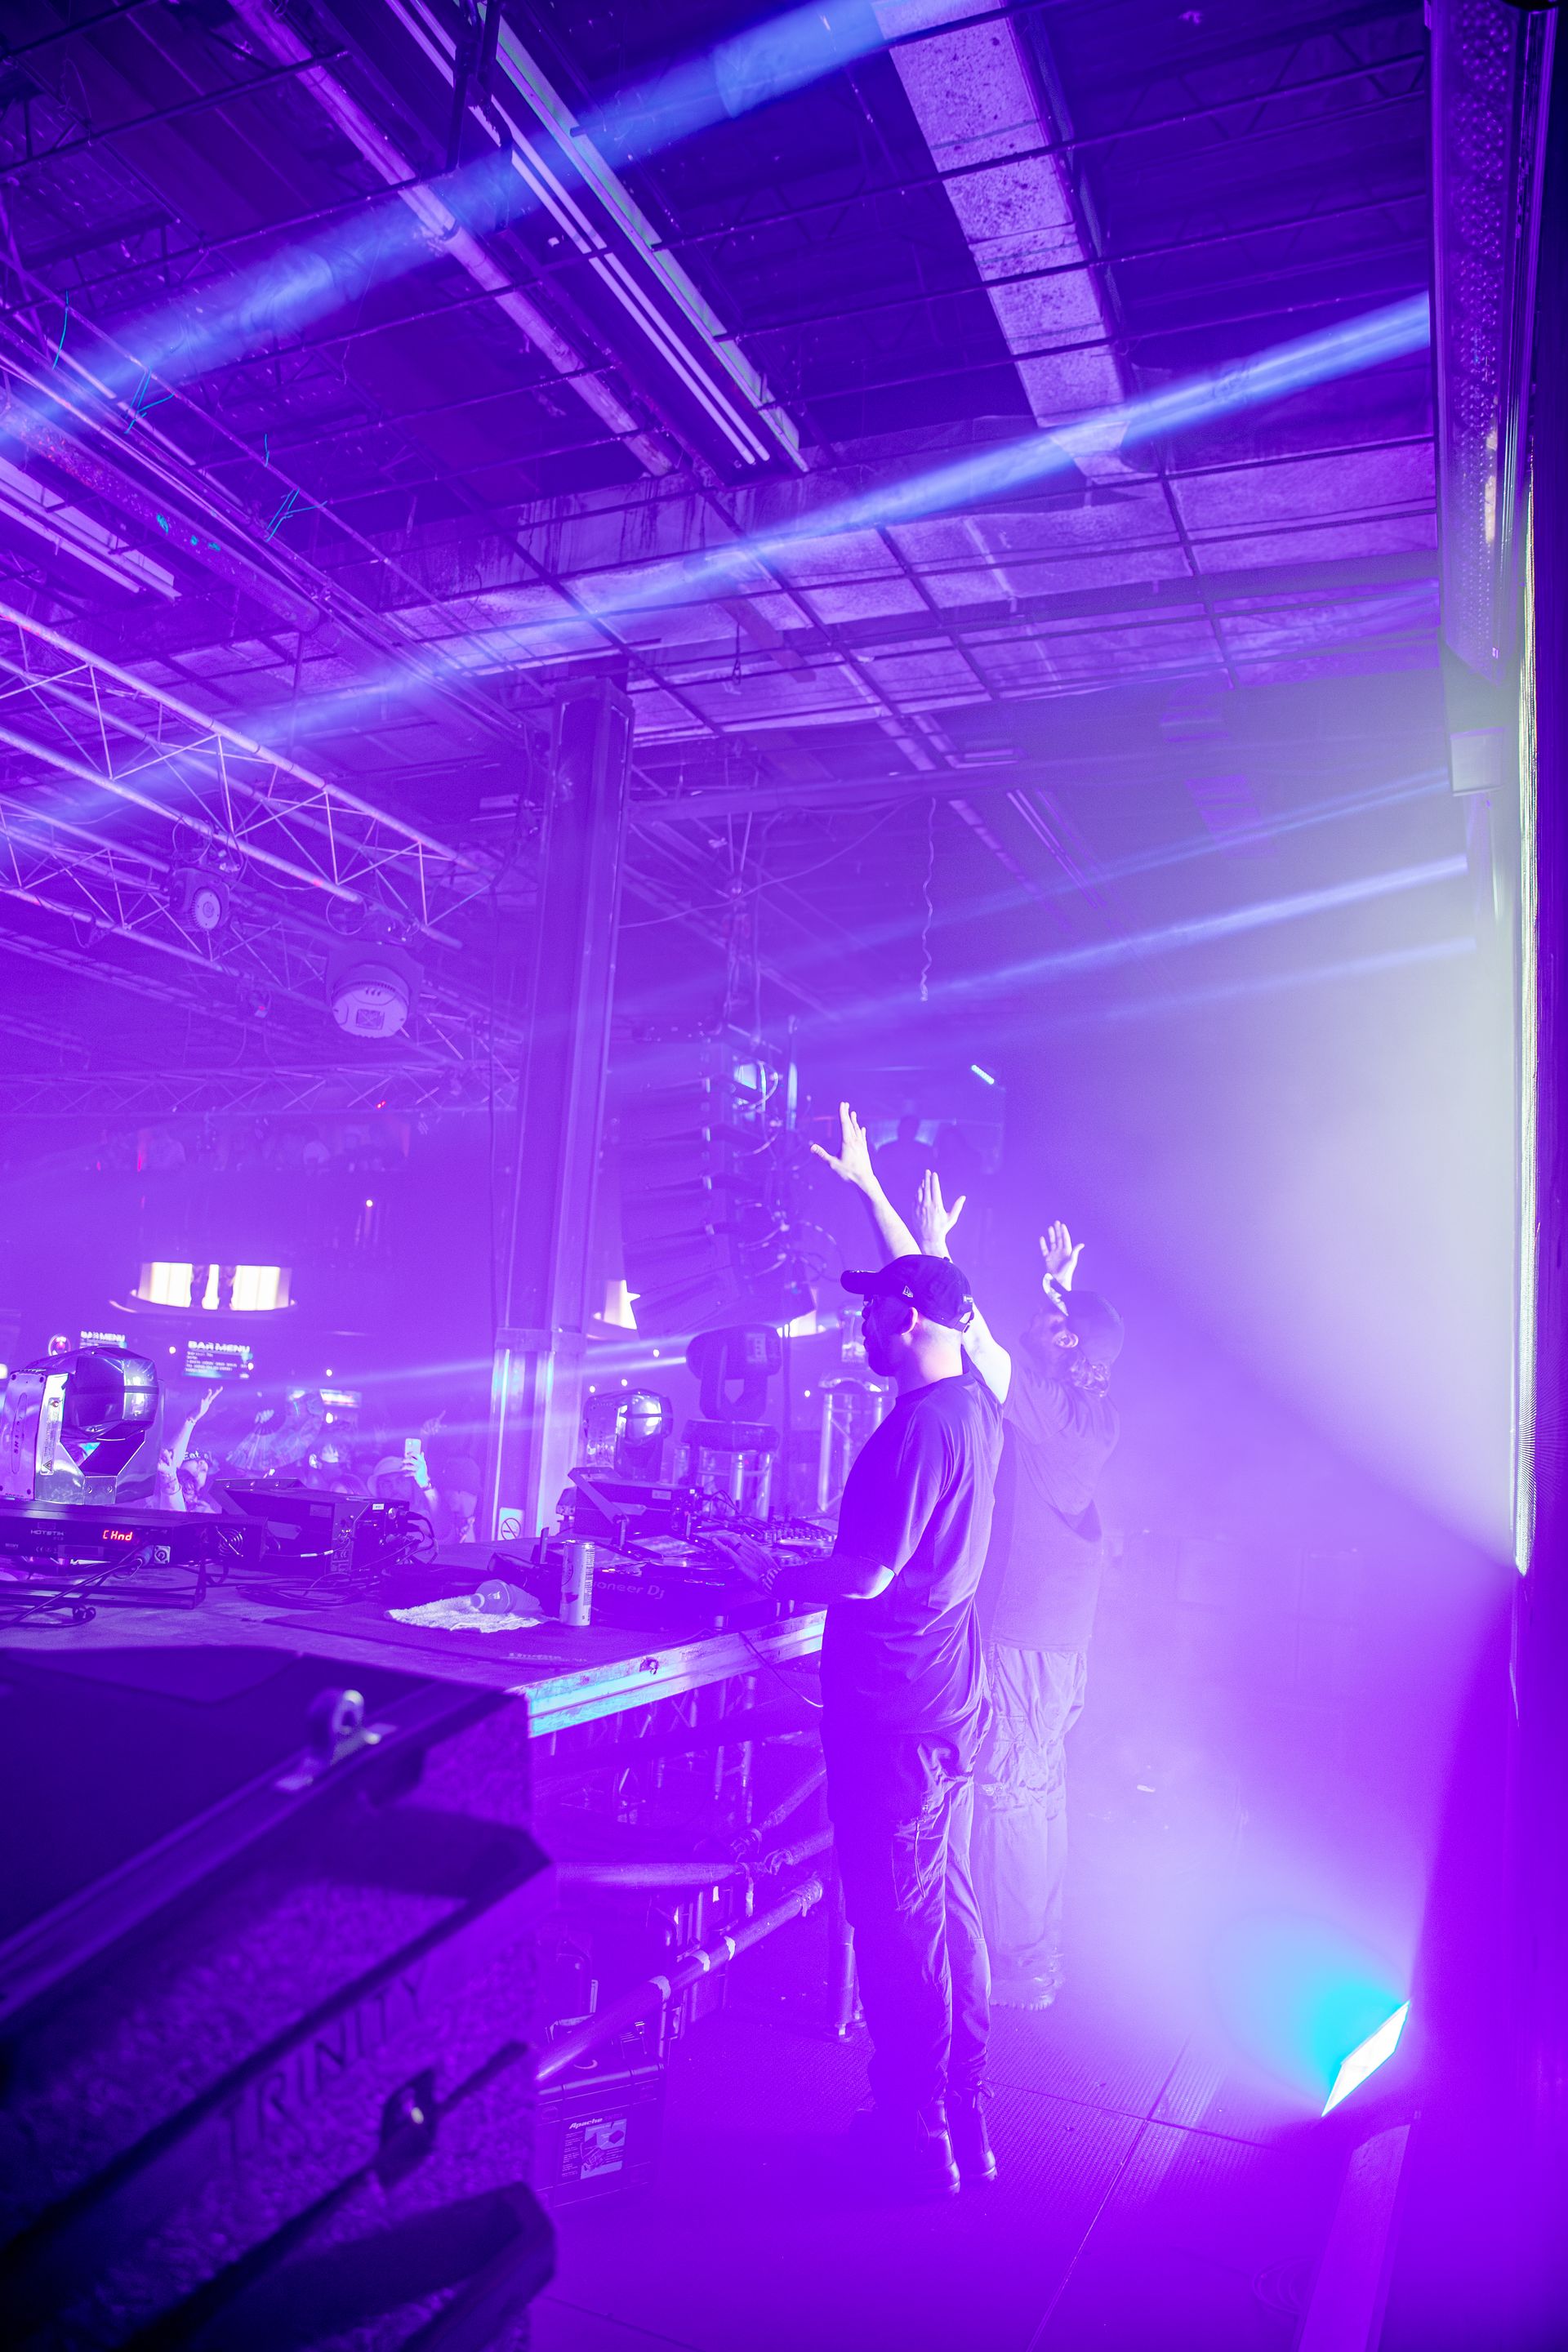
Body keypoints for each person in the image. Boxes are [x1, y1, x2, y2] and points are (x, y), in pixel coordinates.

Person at [748, 1101, 1004, 2201]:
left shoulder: (915, 1426)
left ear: (905, 1317)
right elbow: (948, 1287)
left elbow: (865, 1575)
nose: (859, 1324)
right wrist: (870, 1188)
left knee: (896, 1933)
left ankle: (915, 2139)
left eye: (871, 1309)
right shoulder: (976, 1405)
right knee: (944, 1914)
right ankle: (967, 2119)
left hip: (890, 1717)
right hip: (943, 1705)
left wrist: (778, 1574)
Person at [913, 1176, 1123, 2011]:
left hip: (1030, 1642)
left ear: (1072, 1348)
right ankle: (1030, 1956)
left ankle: (1026, 1966)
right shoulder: (1078, 1408)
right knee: (1031, 1786)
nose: (1039, 1324)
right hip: (1047, 1639)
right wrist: (1060, 1286)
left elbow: (984, 1348)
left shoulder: (1060, 1415)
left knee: (1017, 1791)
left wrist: (937, 1251)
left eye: (1053, 1322)